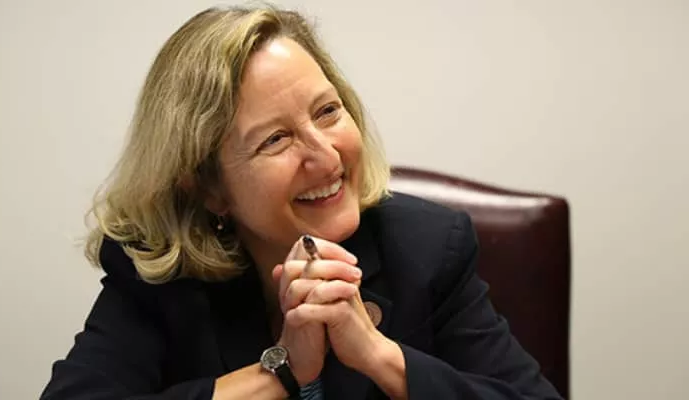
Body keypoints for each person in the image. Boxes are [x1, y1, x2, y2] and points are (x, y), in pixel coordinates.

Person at [41, 4, 563, 400]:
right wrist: (280, 371)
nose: (326, 155)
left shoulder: (427, 249)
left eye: (327, 112)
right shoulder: (159, 275)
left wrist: (380, 357)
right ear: (207, 187)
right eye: (276, 139)